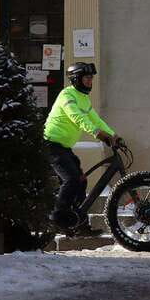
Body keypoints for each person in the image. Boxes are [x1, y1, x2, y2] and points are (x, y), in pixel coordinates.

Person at [44, 62, 121, 233]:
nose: (90, 82)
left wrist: (113, 135)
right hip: (52, 144)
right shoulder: (67, 95)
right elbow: (77, 117)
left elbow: (95, 119)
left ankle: (80, 224)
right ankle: (57, 218)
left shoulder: (84, 99)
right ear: (76, 79)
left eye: (91, 78)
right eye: (87, 78)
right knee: (71, 179)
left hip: (63, 147)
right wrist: (97, 134)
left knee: (81, 180)